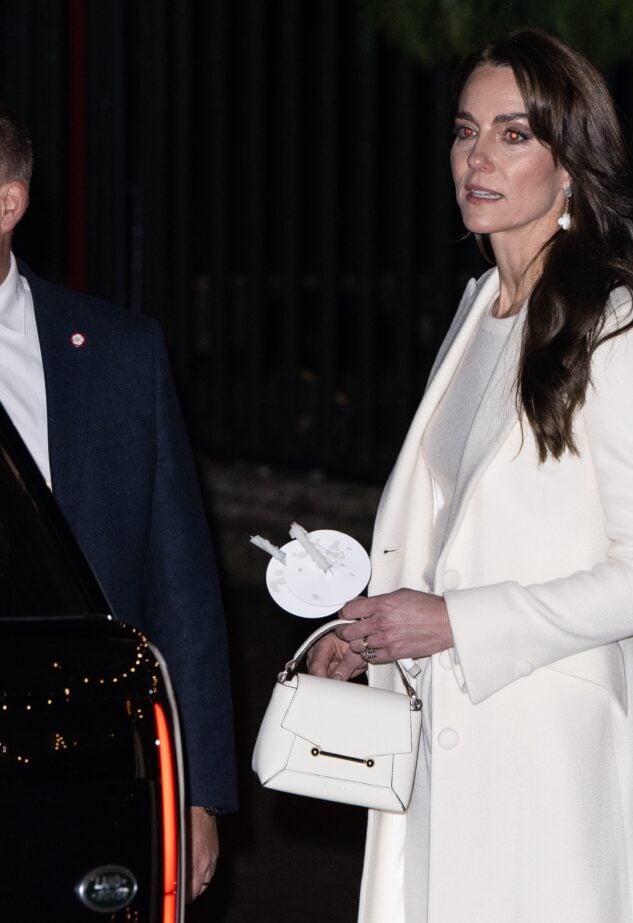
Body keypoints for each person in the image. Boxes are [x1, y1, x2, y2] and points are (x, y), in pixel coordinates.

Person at [309, 28, 633, 923]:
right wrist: (372, 625)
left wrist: (454, 622)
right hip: (437, 749)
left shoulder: (624, 328)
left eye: (513, 134)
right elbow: (453, 531)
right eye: (465, 130)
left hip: (543, 769)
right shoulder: (477, 308)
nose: (476, 156)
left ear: (572, 166)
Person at [0, 106, 237, 901]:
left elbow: (181, 589)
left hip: (73, 760)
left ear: (9, 202)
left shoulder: (119, 354)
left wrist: (195, 794)